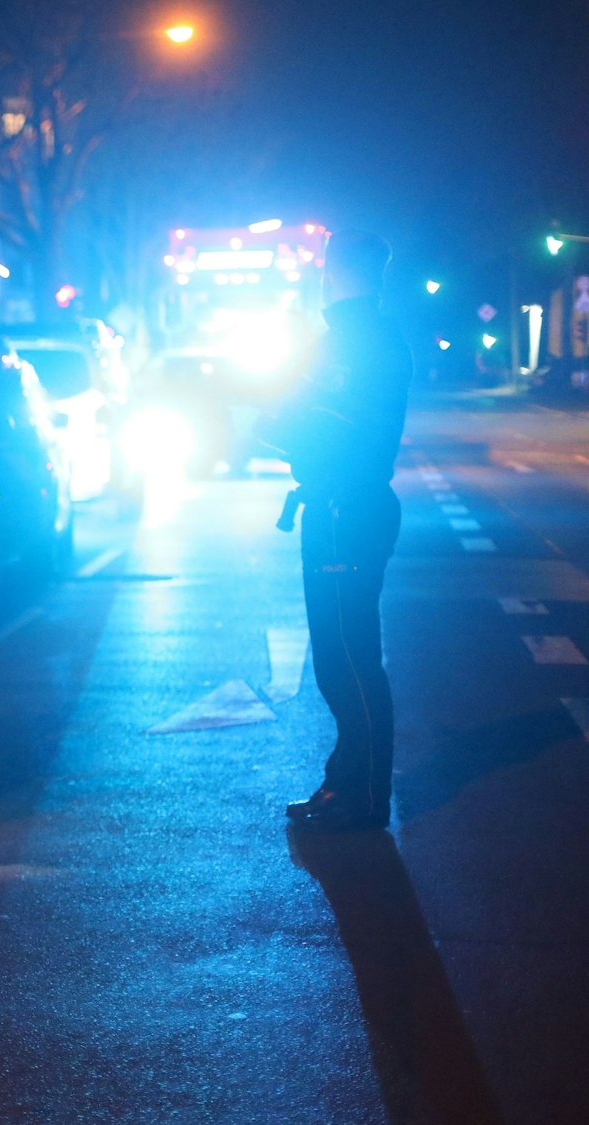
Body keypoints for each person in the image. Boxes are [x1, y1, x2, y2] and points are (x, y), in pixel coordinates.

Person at [260, 231, 412, 831]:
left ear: (338, 273)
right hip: (339, 506)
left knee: (349, 657)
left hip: (345, 510)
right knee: (337, 656)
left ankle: (365, 796)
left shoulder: (357, 341)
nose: (322, 277)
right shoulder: (355, 337)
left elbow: (324, 426)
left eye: (328, 268)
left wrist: (272, 423)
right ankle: (344, 782)